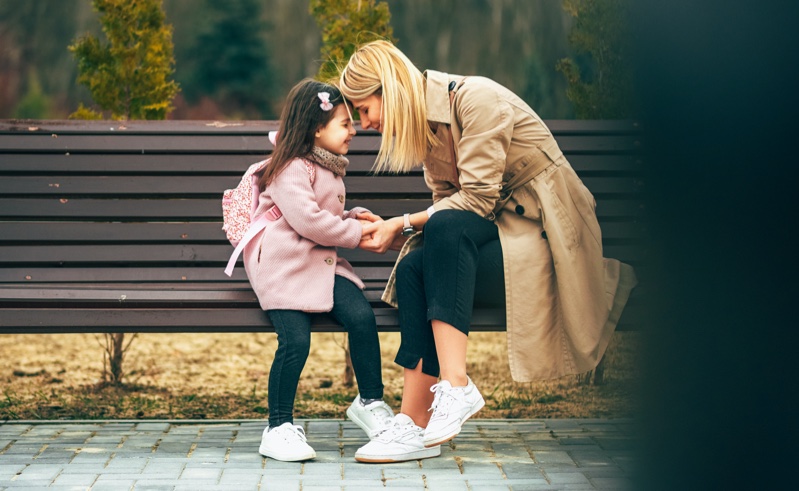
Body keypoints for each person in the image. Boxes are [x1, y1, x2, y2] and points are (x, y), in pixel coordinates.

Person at [338, 40, 638, 463]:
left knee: (440, 229)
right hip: (502, 238)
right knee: (412, 268)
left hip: (546, 235)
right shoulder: (431, 128)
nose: (365, 124)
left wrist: (400, 223)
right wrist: (404, 229)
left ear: (389, 89)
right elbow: (450, 204)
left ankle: (457, 387)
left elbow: (474, 202)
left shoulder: (476, 100)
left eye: (365, 110)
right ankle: (413, 421)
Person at [242, 78, 393, 462]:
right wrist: (358, 234)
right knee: (296, 340)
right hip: (284, 266)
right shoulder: (291, 167)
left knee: (361, 316)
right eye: (344, 123)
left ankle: (370, 401)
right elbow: (309, 221)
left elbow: (327, 216)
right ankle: (278, 427)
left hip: (320, 262)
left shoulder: (327, 165)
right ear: (316, 129)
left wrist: (355, 216)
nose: (353, 130)